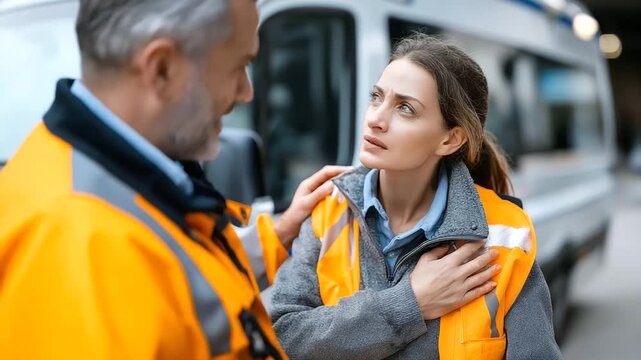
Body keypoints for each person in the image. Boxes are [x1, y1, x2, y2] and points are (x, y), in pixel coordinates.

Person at [0, 0, 348, 359]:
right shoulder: (81, 246)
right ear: (162, 68)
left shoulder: (111, 182)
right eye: (238, 67)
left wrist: (278, 233)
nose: (246, 92)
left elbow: (176, 275)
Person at [269, 34, 563, 359]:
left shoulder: (503, 236)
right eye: (376, 97)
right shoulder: (329, 211)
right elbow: (282, 336)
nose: (376, 119)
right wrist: (409, 304)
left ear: (450, 140)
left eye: (405, 108)